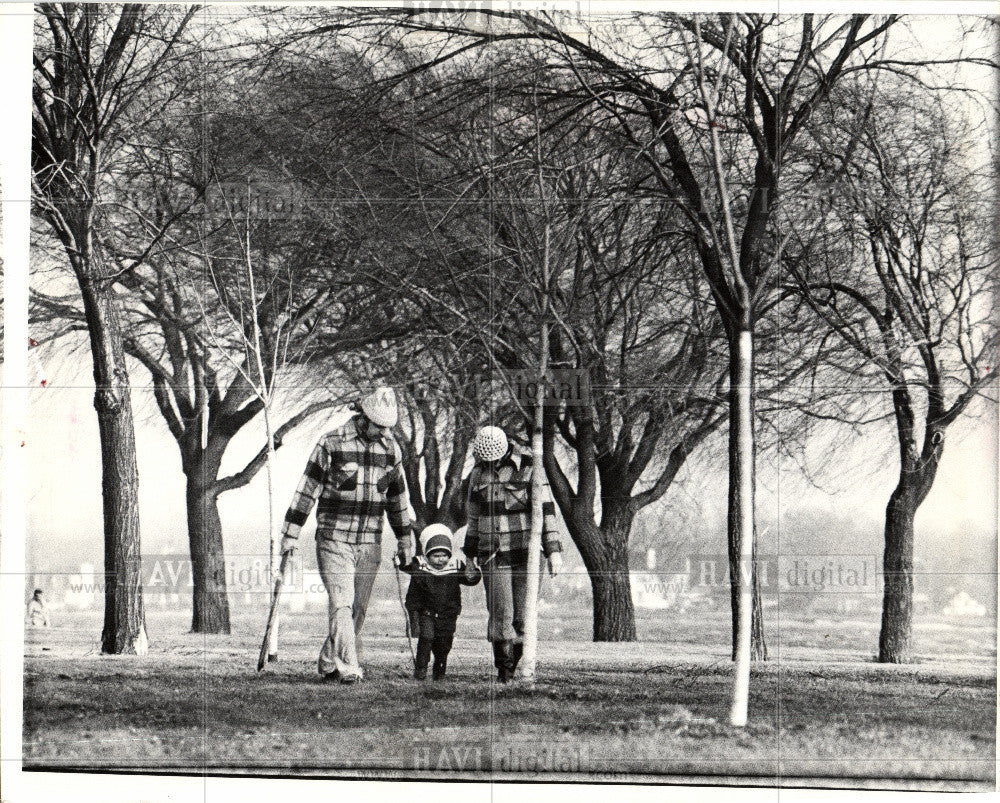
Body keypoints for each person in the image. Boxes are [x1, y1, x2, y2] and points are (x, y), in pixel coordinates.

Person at [279, 387, 415, 684]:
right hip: (333, 538)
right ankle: (348, 668)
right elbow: (306, 490)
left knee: (358, 608)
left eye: (388, 427)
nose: (383, 432)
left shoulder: (392, 450)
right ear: (363, 418)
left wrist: (406, 539)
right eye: (379, 426)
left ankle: (329, 661)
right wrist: (290, 534)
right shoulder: (331, 443)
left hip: (370, 541)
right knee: (342, 601)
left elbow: (398, 500)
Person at [463, 426, 562, 683]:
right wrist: (469, 555)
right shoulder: (476, 475)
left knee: (522, 616)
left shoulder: (530, 467)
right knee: (500, 613)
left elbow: (547, 511)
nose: (491, 463)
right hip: (491, 555)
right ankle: (503, 671)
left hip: (526, 554)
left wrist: (553, 551)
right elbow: (474, 518)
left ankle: (518, 665)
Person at [399, 523, 481, 681]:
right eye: (435, 556)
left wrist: (473, 572)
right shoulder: (420, 565)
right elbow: (406, 565)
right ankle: (421, 669)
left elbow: (469, 579)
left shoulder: (455, 566)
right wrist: (401, 558)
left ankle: (439, 669)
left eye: (444, 555)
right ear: (427, 554)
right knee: (427, 637)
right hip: (427, 612)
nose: (440, 560)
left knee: (443, 644)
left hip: (448, 614)